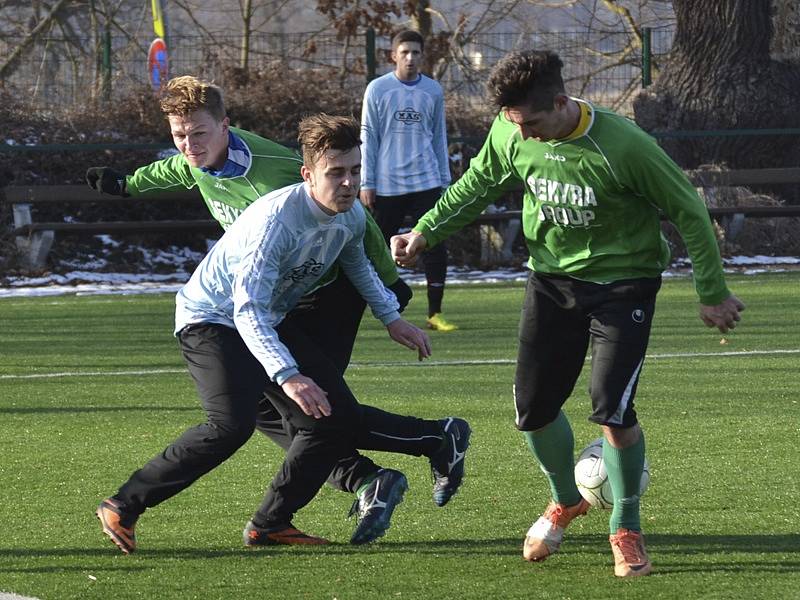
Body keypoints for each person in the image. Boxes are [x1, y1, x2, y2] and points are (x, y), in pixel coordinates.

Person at [392, 50, 745, 578]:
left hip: (624, 287)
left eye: (532, 123)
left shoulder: (623, 146)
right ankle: (566, 501)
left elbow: (688, 211)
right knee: (531, 410)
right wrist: (425, 231)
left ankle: (625, 527)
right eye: (517, 125)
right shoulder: (513, 129)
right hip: (552, 282)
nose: (524, 135)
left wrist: (712, 292)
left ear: (561, 102)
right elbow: (478, 184)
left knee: (612, 409)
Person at [90, 82, 471, 552]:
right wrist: (288, 375)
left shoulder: (346, 210)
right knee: (232, 424)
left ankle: (272, 524)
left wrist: (392, 317)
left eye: (356, 171)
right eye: (337, 173)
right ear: (307, 174)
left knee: (329, 418)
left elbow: (354, 257)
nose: (349, 183)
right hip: (213, 318)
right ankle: (124, 505)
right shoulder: (276, 220)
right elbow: (246, 308)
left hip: (269, 316)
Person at [359, 30, 457, 332]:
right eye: (405, 52)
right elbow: (368, 137)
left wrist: (445, 180)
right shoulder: (378, 89)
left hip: (426, 181)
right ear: (393, 55)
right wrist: (366, 181)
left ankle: (435, 313)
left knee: (434, 244)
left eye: (416, 52)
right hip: (388, 184)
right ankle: (369, 308)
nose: (411, 58)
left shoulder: (433, 91)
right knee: (373, 248)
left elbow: (439, 137)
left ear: (423, 56)